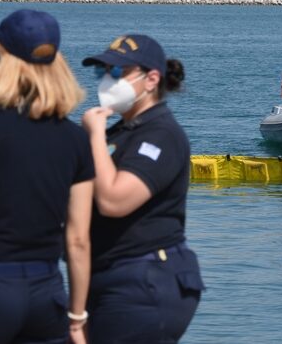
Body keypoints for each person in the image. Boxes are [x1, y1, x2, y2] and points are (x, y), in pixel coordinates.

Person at [0, 9, 94, 344]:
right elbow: (78, 240)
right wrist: (76, 317)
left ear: (4, 61)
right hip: (46, 293)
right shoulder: (75, 140)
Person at [81, 34, 205, 343]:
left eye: (117, 72)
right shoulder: (122, 132)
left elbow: (114, 200)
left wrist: (94, 135)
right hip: (112, 277)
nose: (107, 81)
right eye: (102, 72)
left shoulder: (160, 134)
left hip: (146, 280)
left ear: (151, 79)